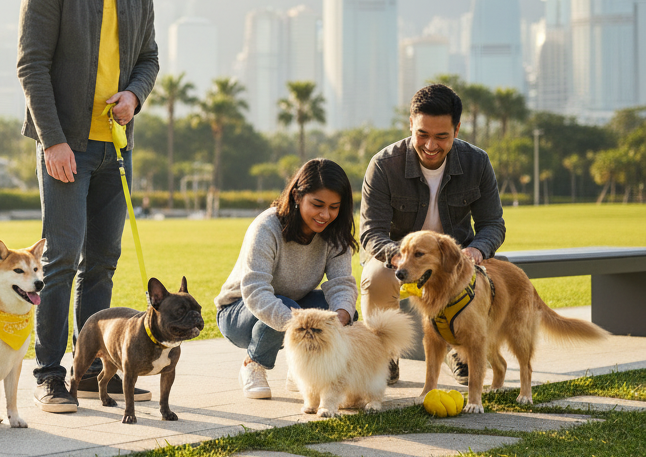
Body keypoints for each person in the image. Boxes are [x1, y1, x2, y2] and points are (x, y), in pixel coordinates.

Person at [17, 0, 160, 413]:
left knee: (101, 262)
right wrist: (52, 140)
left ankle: (93, 370)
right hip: (65, 147)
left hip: (115, 150)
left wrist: (134, 95)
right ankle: (50, 373)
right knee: (60, 260)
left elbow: (149, 58)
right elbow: (31, 65)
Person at [359, 83, 506, 386]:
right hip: (398, 258)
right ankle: (385, 354)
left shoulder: (477, 162)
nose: (430, 145)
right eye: (422, 134)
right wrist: (400, 258)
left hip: (456, 257)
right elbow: (371, 232)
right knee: (376, 278)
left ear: (457, 129)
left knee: (496, 273)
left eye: (442, 136)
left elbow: (493, 224)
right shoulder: (384, 166)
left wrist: (477, 250)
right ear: (410, 123)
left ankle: (460, 349)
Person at [215, 159, 359, 400]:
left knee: (343, 312)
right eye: (317, 204)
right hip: (238, 313)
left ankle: (302, 371)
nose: (326, 214)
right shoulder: (267, 227)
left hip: (294, 302)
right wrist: (298, 323)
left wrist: (341, 316)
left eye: (334, 207)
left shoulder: (335, 234)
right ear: (296, 196)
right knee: (287, 306)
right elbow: (255, 291)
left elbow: (341, 283)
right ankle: (253, 364)